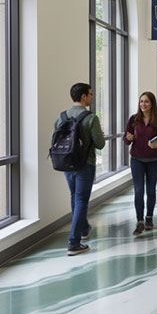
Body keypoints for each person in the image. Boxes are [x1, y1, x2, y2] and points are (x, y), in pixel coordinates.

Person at [54, 82, 105, 255]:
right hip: (85, 164)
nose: (91, 97)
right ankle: (74, 243)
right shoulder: (91, 118)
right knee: (82, 200)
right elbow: (100, 144)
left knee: (75, 197)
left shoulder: (61, 117)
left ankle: (83, 229)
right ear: (83, 96)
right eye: (90, 94)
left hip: (66, 163)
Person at [124, 92, 157, 237]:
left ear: (152, 104)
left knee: (151, 190)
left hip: (154, 160)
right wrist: (128, 138)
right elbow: (126, 140)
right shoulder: (133, 119)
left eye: (146, 102)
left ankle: (149, 217)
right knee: (138, 191)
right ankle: (140, 221)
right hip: (137, 159)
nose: (143, 104)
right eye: (141, 101)